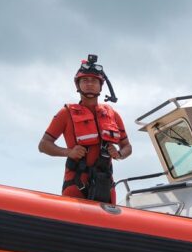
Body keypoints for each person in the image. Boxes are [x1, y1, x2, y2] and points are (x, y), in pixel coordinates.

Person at [38, 56, 132, 204]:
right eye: (85, 80)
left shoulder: (113, 115)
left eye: (94, 81)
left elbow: (127, 146)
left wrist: (119, 154)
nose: (89, 84)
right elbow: (43, 145)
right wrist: (68, 152)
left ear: (101, 86)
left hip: (105, 186)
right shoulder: (65, 113)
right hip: (76, 185)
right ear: (78, 85)